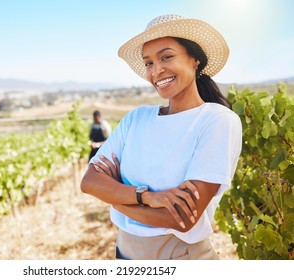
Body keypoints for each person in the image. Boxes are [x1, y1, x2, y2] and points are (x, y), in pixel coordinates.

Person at [81, 14, 242, 260]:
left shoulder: (216, 120)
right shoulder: (136, 119)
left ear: (195, 60)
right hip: (123, 254)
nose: (156, 70)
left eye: (166, 57)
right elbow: (90, 182)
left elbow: (181, 219)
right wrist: (147, 197)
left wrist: (115, 199)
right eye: (148, 63)